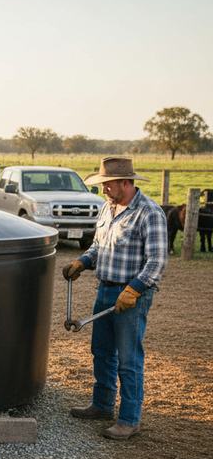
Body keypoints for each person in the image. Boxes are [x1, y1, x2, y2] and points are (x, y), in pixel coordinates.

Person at [62, 156, 167, 441]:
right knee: (102, 352)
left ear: (125, 182)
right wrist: (83, 262)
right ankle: (103, 404)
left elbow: (156, 261)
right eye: (102, 185)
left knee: (129, 360)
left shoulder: (149, 212)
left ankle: (129, 420)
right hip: (105, 290)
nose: (104, 190)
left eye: (107, 185)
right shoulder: (109, 209)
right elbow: (99, 246)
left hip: (131, 296)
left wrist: (133, 290)